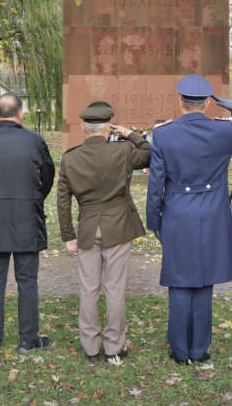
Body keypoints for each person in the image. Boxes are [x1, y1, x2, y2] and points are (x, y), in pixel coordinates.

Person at [146, 75, 232, 364]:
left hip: (177, 213)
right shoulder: (222, 132)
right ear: (208, 102)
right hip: (212, 213)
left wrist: (153, 220)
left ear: (179, 101)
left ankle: (180, 351)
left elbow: (156, 182)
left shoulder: (163, 134)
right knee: (204, 282)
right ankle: (199, 350)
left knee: (180, 282)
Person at [57, 101, 151, 365]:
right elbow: (148, 152)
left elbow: (62, 200)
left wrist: (68, 235)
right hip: (117, 225)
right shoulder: (122, 151)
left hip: (87, 227)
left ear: (84, 127)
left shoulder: (70, 157)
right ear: (108, 125)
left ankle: (91, 348)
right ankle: (114, 346)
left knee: (89, 288)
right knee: (114, 288)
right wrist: (129, 133)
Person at [0, 93, 55, 353]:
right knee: (27, 280)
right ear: (20, 115)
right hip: (26, 217)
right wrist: (32, 198)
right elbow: (47, 176)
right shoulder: (34, 141)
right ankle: (28, 340)